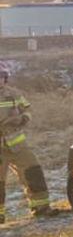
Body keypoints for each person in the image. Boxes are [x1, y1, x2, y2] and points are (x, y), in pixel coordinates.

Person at [1, 61, 53, 224]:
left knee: (33, 171)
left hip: (17, 145)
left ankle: (41, 207)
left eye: (1, 76)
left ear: (6, 78)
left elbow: (28, 109)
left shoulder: (14, 94)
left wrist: (22, 118)